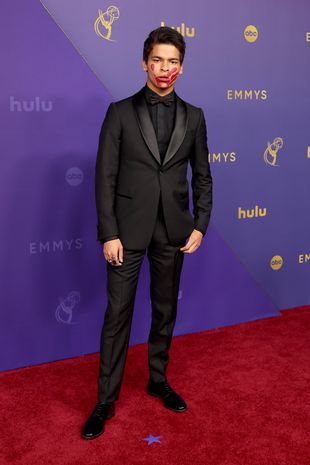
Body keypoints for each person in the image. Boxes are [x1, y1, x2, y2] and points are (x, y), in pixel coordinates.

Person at [82, 26, 212, 440]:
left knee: (164, 311)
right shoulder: (119, 112)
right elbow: (104, 177)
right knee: (117, 316)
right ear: (144, 63)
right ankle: (105, 400)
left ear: (182, 68)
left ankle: (158, 379)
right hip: (126, 233)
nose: (165, 69)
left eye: (173, 62)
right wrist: (109, 233)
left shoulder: (194, 116)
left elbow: (203, 178)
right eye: (158, 60)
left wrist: (200, 224)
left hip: (173, 231)